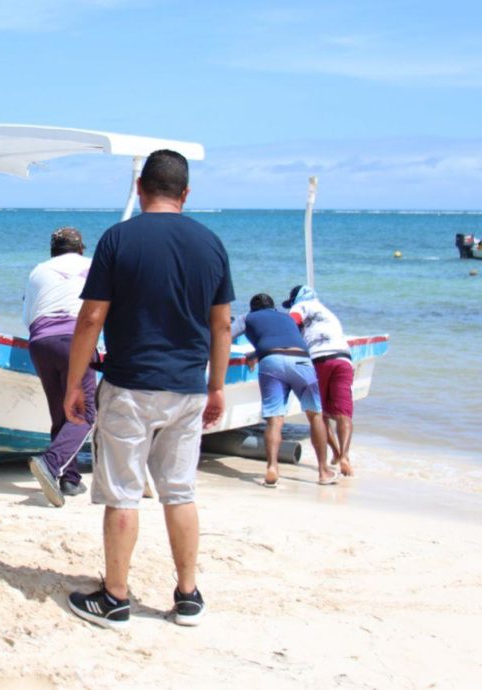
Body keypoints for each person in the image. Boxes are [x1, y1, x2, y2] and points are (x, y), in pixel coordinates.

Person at [63, 150, 233, 629]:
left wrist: (75, 383)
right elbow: (221, 325)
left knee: (123, 493)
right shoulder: (211, 243)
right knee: (180, 492)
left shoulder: (119, 238)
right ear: (186, 193)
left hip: (130, 385)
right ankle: (188, 596)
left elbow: (91, 318)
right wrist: (217, 387)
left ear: (140, 188)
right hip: (188, 387)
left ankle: (116, 598)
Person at [22, 226, 95, 504]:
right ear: (81, 248)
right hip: (76, 340)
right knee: (85, 413)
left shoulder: (37, 271)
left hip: (40, 342)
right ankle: (51, 464)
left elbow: (27, 317)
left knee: (61, 414)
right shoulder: (93, 265)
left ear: (52, 251)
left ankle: (70, 479)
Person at [231, 293, 334, 487]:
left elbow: (225, 334)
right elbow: (286, 340)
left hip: (271, 361)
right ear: (274, 307)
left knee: (275, 419)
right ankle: (323, 471)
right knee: (315, 416)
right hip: (301, 360)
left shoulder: (248, 317)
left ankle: (272, 467)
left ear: (252, 309)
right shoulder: (287, 318)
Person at [283, 285, 356, 476]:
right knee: (344, 414)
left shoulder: (301, 306)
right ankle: (344, 456)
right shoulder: (329, 313)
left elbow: (291, 323)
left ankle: (336, 453)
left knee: (318, 413)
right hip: (344, 360)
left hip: (319, 360)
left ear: (296, 299)